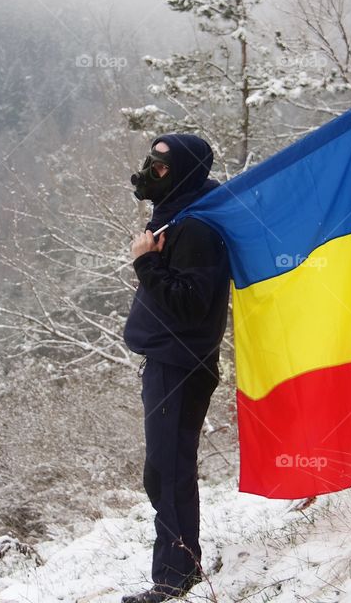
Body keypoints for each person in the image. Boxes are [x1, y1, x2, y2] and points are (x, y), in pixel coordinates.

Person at [121, 134, 230, 602]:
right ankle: (182, 560)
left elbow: (189, 303)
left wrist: (145, 264)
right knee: (162, 471)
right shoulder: (177, 218)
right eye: (150, 164)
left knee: (169, 471)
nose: (149, 174)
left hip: (181, 364)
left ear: (183, 173)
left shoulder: (198, 229)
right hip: (169, 361)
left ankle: (173, 577)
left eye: (161, 168)